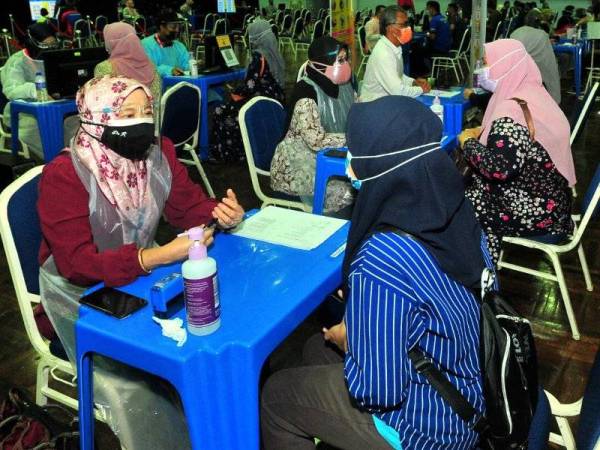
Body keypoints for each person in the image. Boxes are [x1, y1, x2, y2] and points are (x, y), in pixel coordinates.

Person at [261, 95, 490, 450]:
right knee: (312, 348)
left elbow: (378, 390)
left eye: (354, 152)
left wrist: (350, 340)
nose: (348, 164)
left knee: (277, 396)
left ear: (375, 167)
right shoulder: (459, 211)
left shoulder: (382, 258)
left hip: (430, 428)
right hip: (469, 383)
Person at [37, 76, 245, 450]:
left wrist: (219, 211)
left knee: (213, 336)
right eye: (126, 113)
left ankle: (218, 430)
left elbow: (185, 205)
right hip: (79, 297)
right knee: (145, 385)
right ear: (97, 119)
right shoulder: (66, 175)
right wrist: (156, 256)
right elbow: (75, 264)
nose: (140, 122)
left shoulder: (157, 152)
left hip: (139, 276)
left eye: (146, 111)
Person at [458, 39, 575, 262]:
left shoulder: (511, 111)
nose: (482, 69)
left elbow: (500, 170)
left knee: (459, 204)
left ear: (505, 66)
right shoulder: (535, 94)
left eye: (486, 62)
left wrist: (467, 141)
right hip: (554, 203)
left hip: (537, 214)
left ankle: (480, 272)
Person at [270, 36, 355, 213]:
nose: (345, 64)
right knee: (348, 192)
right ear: (321, 64)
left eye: (345, 58)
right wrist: (354, 137)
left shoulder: (343, 85)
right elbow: (316, 141)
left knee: (366, 179)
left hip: (333, 153)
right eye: (339, 60)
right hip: (298, 161)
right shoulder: (306, 92)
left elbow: (358, 112)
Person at [210, 19, 285, 162]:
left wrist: (234, 92)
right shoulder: (275, 53)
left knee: (221, 111)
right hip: (275, 99)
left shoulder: (258, 56)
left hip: (259, 101)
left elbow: (249, 86)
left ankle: (227, 154)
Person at [1, 23, 78, 159]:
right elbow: (11, 90)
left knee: (77, 125)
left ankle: (74, 162)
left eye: (53, 44)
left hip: (58, 107)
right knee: (41, 131)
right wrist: (34, 90)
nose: (50, 48)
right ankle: (53, 164)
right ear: (32, 43)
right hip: (25, 114)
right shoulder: (17, 61)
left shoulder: (56, 57)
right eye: (45, 45)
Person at [360, 6, 430, 102]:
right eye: (404, 25)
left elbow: (397, 75)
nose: (408, 28)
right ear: (390, 28)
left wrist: (413, 82)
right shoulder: (383, 53)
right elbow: (398, 91)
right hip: (375, 106)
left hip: (387, 102)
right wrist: (422, 89)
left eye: (407, 24)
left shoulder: (394, 47)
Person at [95, 22, 162, 103]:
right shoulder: (151, 65)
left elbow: (102, 103)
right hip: (150, 114)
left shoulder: (104, 68)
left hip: (124, 114)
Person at [511, 9, 561, 103]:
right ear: (539, 21)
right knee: (555, 65)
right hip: (536, 72)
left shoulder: (515, 32)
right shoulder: (542, 34)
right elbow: (549, 62)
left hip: (516, 71)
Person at [142, 10, 189, 77]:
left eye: (178, 27)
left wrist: (195, 66)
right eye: (173, 27)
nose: (177, 30)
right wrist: (169, 70)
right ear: (162, 27)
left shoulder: (179, 46)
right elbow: (147, 69)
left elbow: (186, 64)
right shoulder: (146, 45)